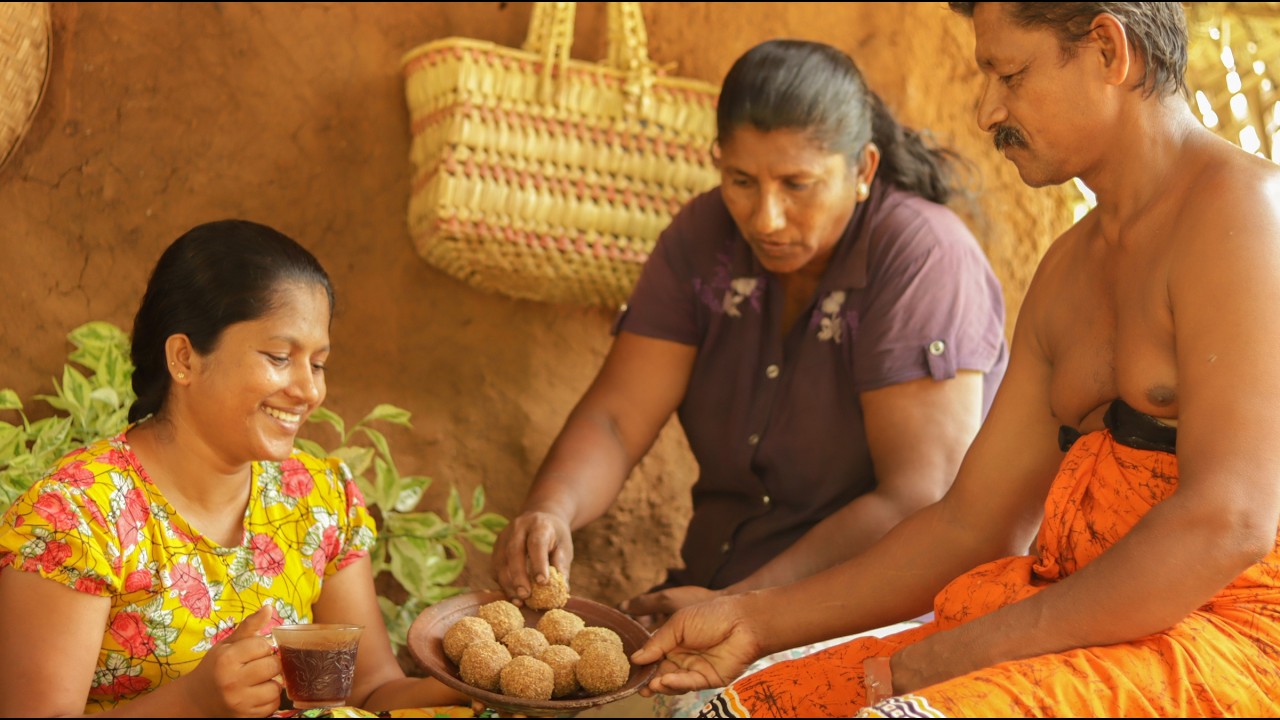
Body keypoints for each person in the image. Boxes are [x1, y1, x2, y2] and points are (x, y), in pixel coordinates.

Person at [631, 2, 1280, 717]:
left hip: (1224, 637)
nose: (985, 110)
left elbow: (1230, 521)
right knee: (726, 712)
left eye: (1009, 73)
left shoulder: (1246, 214)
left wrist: (966, 650)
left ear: (1107, 51)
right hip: (1074, 625)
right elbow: (971, 525)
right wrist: (754, 620)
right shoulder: (1067, 267)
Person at [492, 38, 1008, 631]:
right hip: (718, 597)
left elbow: (920, 497)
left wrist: (745, 607)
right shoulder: (702, 238)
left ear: (862, 170)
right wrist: (551, 509)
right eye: (740, 179)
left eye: (797, 184)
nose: (765, 218)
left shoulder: (922, 256)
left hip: (873, 615)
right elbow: (615, 420)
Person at [0, 220, 471, 717]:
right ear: (184, 358)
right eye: (279, 356)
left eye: (318, 363)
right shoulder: (78, 514)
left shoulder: (313, 496)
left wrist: (470, 685)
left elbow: (371, 692)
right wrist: (194, 701)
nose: (309, 390)